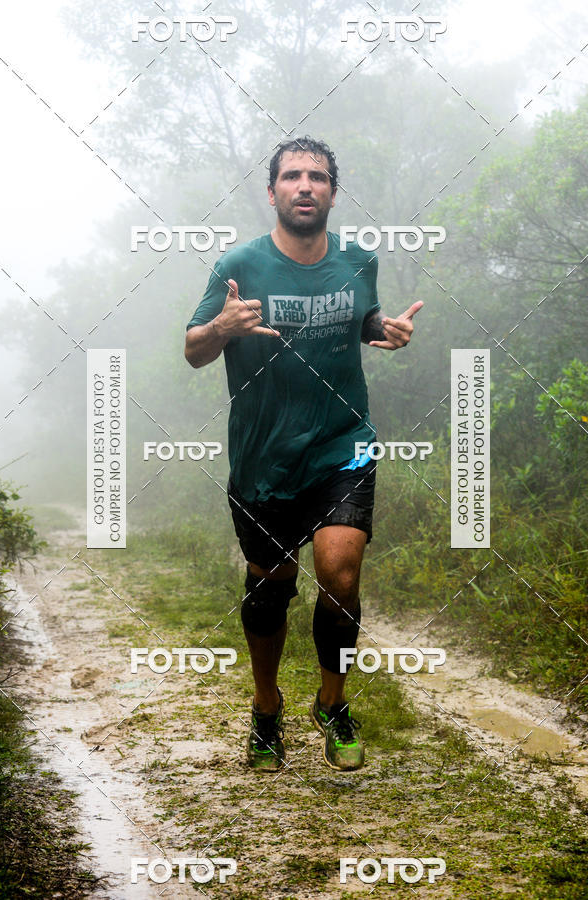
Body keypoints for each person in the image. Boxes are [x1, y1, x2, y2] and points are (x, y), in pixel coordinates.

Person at [184, 136, 422, 772]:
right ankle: (267, 708)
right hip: (264, 460)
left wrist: (382, 329)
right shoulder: (239, 265)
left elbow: (362, 317)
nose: (306, 185)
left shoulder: (358, 261)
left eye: (318, 176)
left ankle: (334, 703)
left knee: (341, 575)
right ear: (273, 193)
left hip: (342, 445)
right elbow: (193, 349)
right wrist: (220, 328)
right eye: (292, 176)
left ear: (333, 194)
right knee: (271, 590)